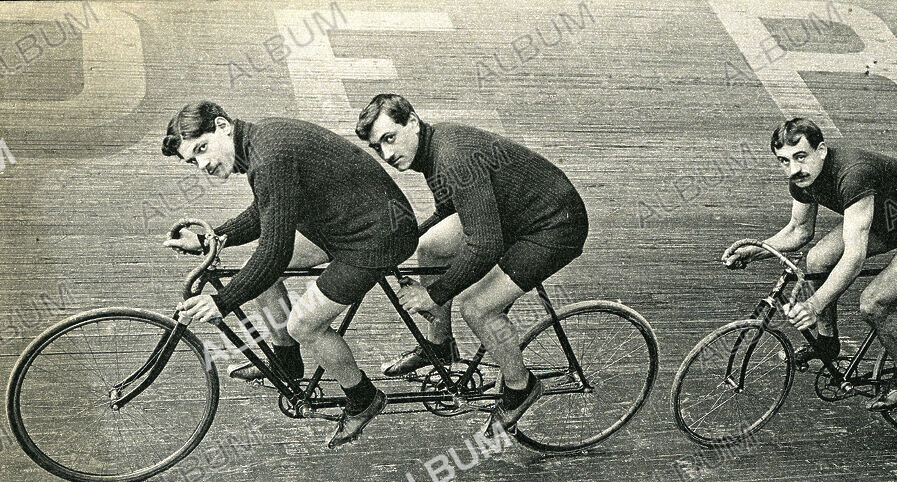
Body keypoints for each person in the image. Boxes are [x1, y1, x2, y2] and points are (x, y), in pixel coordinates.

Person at [161, 101, 418, 445]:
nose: (203, 164)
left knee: (304, 324)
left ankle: (363, 399)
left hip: (378, 235)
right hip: (345, 224)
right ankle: (286, 363)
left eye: (202, 149)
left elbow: (275, 250)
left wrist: (222, 301)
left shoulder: (269, 156)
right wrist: (214, 237)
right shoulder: (260, 142)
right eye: (193, 160)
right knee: (263, 271)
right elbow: (268, 208)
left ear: (223, 125)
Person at [355, 94, 589, 432]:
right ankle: (440, 346)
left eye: (390, 138)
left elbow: (486, 244)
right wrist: (397, 244)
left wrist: (434, 294)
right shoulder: (430, 150)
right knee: (431, 248)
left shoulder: (451, 156)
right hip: (511, 216)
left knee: (478, 308)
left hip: (552, 226)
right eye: (378, 147)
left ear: (413, 123)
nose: (388, 154)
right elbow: (447, 210)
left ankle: (521, 387)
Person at [723, 117, 897, 410]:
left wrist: (814, 305)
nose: (794, 169)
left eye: (800, 157)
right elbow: (799, 231)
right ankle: (827, 342)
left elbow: (854, 258)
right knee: (815, 260)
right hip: (891, 215)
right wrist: (756, 250)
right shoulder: (801, 178)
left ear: (822, 150)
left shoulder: (854, 175)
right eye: (784, 161)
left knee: (874, 303)